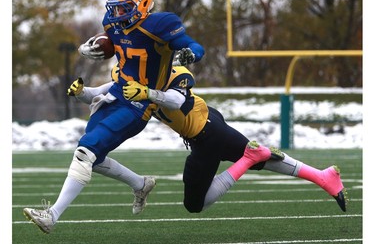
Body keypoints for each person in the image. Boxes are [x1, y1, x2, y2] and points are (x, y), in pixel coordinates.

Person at [23, 0, 205, 234]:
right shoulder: (112, 23)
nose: (118, 13)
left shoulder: (161, 24)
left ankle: (52, 215)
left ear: (143, 4)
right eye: (115, 7)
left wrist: (191, 54)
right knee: (93, 159)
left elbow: (193, 45)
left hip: (139, 102)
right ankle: (140, 184)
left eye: (124, 7)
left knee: (85, 151)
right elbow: (112, 45)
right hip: (116, 93)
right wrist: (92, 48)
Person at [67, 63, 348, 214]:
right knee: (265, 159)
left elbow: (176, 100)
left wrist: (149, 93)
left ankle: (249, 160)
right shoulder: (132, 72)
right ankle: (321, 177)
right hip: (207, 124)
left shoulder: (172, 74)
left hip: (207, 133)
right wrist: (80, 91)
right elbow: (99, 92)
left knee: (195, 204)